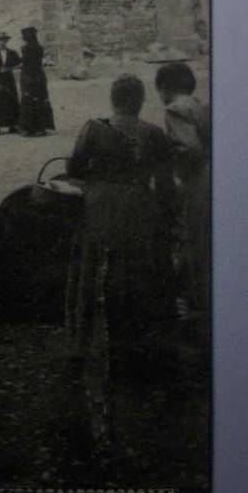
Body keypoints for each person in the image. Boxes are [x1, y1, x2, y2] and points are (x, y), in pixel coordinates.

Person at [64, 74, 178, 379]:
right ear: (140, 101)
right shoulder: (153, 134)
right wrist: (169, 221)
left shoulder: (92, 128)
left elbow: (74, 169)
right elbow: (166, 186)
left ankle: (82, 343)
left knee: (92, 269)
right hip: (140, 207)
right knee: (142, 272)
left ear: (113, 100)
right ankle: (145, 343)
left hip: (99, 206)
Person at [155, 61, 210, 325]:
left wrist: (173, 165)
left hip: (195, 180)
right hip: (209, 176)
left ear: (164, 88)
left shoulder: (175, 110)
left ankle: (199, 307)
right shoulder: (198, 105)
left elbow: (189, 149)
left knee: (195, 238)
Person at [18, 26, 55, 136]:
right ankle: (40, 127)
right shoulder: (39, 48)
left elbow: (26, 63)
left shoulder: (25, 48)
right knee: (39, 99)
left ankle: (28, 128)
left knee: (28, 99)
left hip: (29, 75)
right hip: (38, 75)